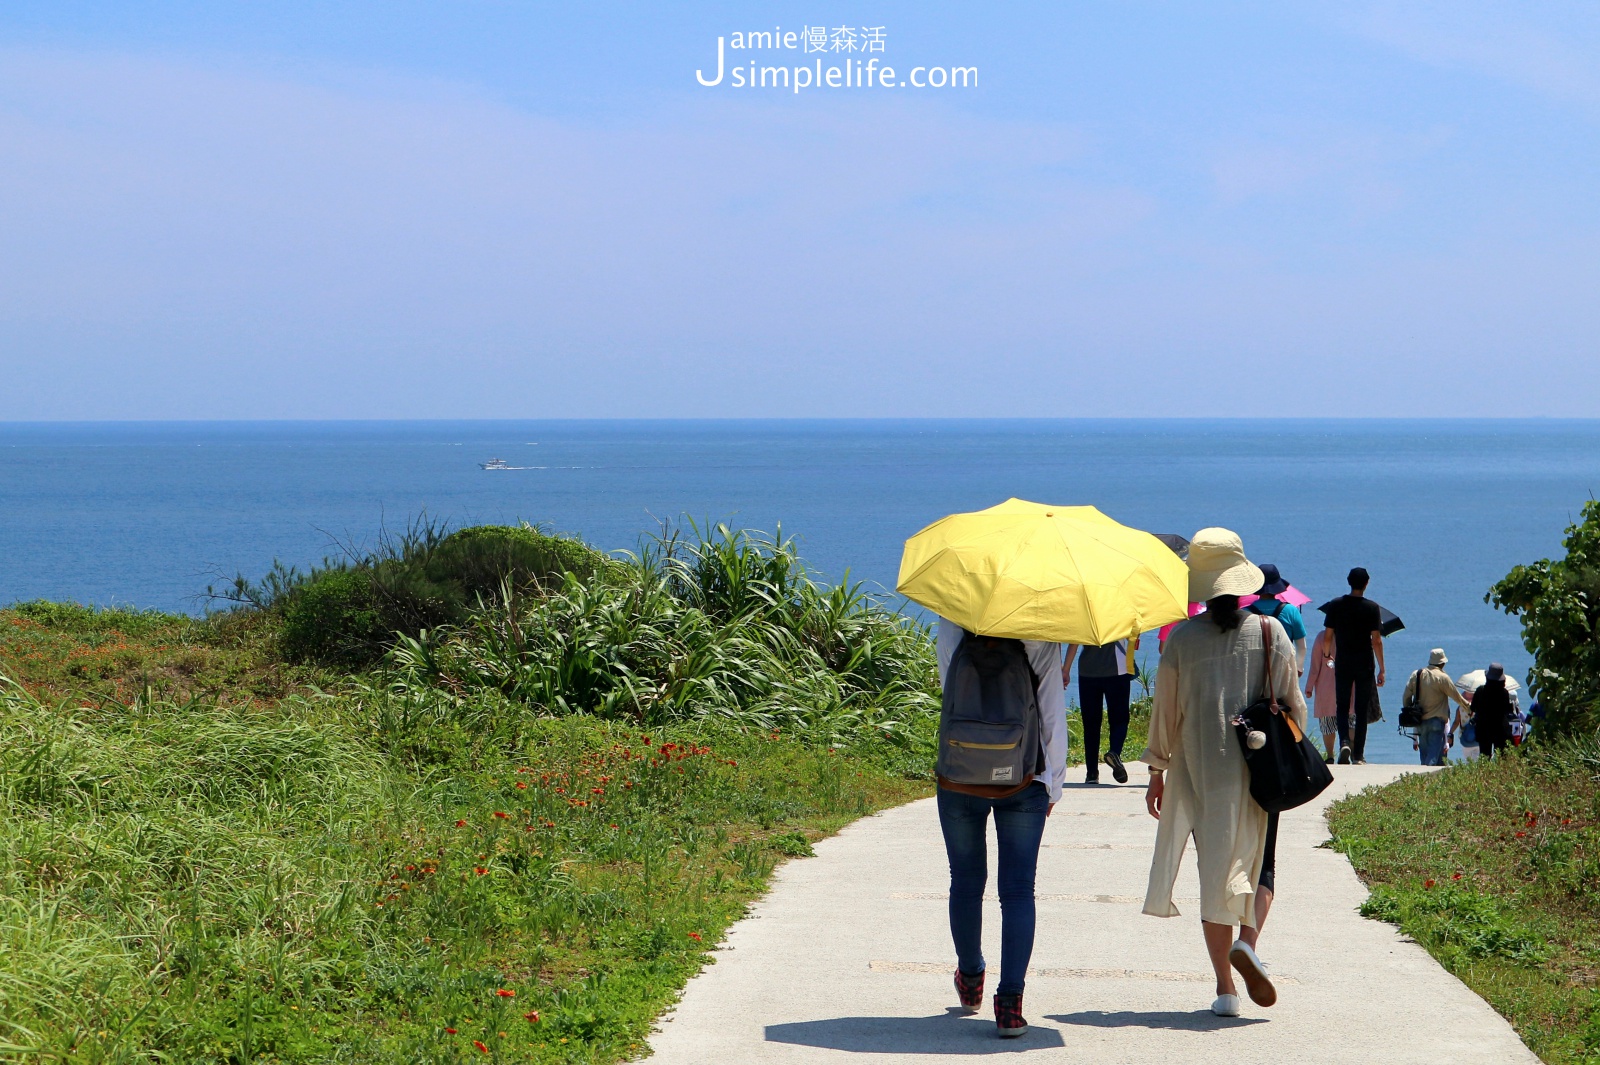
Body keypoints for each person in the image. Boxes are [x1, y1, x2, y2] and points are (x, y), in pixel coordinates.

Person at [1142, 528, 1306, 1017]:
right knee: (1261, 863)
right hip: (1258, 772)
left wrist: (1156, 771)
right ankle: (1249, 942)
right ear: (1242, 582)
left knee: (1213, 873)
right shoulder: (1269, 632)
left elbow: (1164, 713)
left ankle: (1225, 989)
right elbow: (1292, 705)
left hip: (1199, 771)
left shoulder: (1181, 640)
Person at [935, 616, 1067, 1038]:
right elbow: (1050, 710)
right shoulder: (1040, 629)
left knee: (966, 881)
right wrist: (1053, 784)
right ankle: (1010, 1005)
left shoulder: (952, 621)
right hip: (1024, 777)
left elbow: (949, 691)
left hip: (960, 774)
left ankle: (971, 977)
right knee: (1017, 891)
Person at [1320, 567, 1386, 765]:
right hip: (1365, 662)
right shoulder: (1372, 608)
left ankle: (1344, 743)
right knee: (1361, 707)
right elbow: (1376, 640)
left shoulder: (1335, 605)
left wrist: (1326, 653)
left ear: (1349, 582)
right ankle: (1359, 755)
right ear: (1367, 584)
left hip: (1344, 661)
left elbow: (1328, 635)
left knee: (1342, 705)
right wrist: (1382, 668)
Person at [1062, 637, 1138, 784]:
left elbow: (1074, 641)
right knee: (1119, 719)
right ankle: (1114, 752)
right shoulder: (1122, 613)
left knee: (1090, 723)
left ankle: (1091, 773)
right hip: (1117, 670)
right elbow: (1133, 637)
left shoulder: (1087, 615)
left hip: (1088, 671)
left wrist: (1066, 669)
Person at [1402, 648, 1472, 766]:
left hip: (1420, 721)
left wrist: (1409, 710)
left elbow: (1406, 697)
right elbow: (1457, 697)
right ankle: (1427, 780)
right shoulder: (1442, 678)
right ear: (1443, 663)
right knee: (1432, 758)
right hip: (1436, 722)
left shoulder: (1417, 674)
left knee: (1425, 756)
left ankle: (1426, 781)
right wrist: (1469, 708)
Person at [1248, 564, 1308, 674]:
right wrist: (1299, 668)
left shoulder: (1245, 612)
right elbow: (1302, 646)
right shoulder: (1291, 610)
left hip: (1253, 670)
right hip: (1283, 669)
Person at [1303, 629, 1342, 762]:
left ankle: (1330, 755)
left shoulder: (1321, 636)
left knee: (1327, 722)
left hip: (1326, 688)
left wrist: (1309, 687)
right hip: (1349, 686)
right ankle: (1350, 750)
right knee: (1350, 719)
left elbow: (1315, 666)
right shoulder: (1352, 634)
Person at [1471, 663, 1515, 759]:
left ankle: (1483, 774)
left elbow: (1473, 708)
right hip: (1500, 728)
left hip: (1483, 728)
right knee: (1501, 757)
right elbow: (1507, 711)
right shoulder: (1504, 693)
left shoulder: (1480, 690)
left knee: (1484, 756)